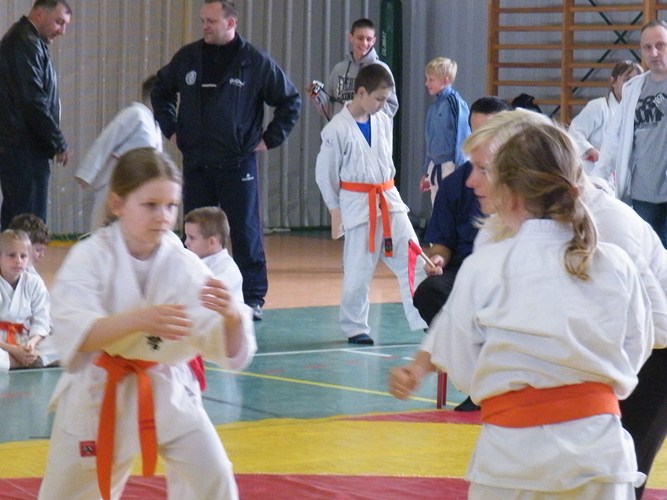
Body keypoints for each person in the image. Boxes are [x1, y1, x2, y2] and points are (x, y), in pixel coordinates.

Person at [390, 122, 653, 499]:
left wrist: (505, 379)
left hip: (513, 459)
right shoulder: (614, 263)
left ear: (508, 194)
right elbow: (636, 347)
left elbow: (463, 362)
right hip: (600, 455)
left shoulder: (486, 267)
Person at [465, 108, 667, 500]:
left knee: (614, 468)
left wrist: (593, 372)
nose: (471, 180)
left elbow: (657, 329)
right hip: (587, 371)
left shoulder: (608, 223)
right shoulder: (497, 231)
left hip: (655, 359)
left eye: (484, 169)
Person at [38, 148, 257, 500]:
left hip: (166, 387)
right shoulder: (90, 257)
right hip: (98, 389)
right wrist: (140, 320)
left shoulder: (184, 264)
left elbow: (224, 346)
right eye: (151, 205)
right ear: (117, 203)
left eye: (171, 206)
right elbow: (77, 334)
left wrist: (232, 317)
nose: (163, 216)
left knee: (215, 477)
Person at [152, 0, 301, 321]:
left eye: (211, 21)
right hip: (197, 162)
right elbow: (160, 90)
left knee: (245, 231)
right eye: (203, 20)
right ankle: (191, 292)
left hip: (237, 163)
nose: (204, 26)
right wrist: (173, 131)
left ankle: (252, 298)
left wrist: (268, 139)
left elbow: (290, 100)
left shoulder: (254, 62)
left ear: (231, 23)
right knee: (194, 231)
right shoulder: (188, 57)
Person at [412, 96, 512, 412]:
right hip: (465, 269)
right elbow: (442, 242)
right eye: (476, 132)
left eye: (490, 132)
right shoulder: (457, 183)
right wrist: (438, 258)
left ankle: (498, 379)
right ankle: (479, 379)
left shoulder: (524, 185)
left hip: (510, 275)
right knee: (431, 292)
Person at [315, 64, 426, 345]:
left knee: (413, 258)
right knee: (358, 270)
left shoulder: (383, 121)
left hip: (389, 199)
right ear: (361, 92)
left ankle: (425, 316)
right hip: (358, 205)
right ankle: (355, 327)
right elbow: (325, 174)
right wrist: (335, 209)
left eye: (386, 100)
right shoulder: (336, 129)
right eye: (379, 99)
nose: (383, 105)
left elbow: (385, 162)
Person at [594, 20, 667, 247]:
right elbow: (614, 138)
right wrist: (598, 177)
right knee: (645, 255)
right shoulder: (633, 88)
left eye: (660, 45)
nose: (654, 53)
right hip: (642, 193)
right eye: (647, 47)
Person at [0, 0, 72, 230]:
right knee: (27, 223)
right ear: (39, 13)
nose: (62, 31)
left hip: (24, 147)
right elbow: (32, 100)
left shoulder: (28, 42)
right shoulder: (24, 43)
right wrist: (57, 141)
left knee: (20, 219)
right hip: (23, 148)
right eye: (59, 22)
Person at [76, 75, 163, 232]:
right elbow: (107, 139)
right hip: (113, 182)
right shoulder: (136, 113)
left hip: (138, 187)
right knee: (102, 231)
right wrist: (87, 173)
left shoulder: (155, 124)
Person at [306, 18, 398, 121]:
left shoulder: (381, 70)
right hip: (341, 129)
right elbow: (330, 109)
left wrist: (364, 111)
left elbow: (392, 107)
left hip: (367, 130)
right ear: (350, 38)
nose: (364, 43)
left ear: (374, 41)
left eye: (368, 39)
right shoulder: (338, 69)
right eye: (360, 38)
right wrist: (317, 98)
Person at [569, 60, 643, 174]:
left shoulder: (640, 113)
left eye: (636, 82)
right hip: (593, 173)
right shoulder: (598, 106)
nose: (631, 86)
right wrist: (590, 150)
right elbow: (574, 133)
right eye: (627, 80)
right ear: (613, 81)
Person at [418, 57, 471, 205]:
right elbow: (430, 142)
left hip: (450, 166)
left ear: (445, 80)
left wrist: (461, 170)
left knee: (451, 208)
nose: (427, 83)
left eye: (431, 80)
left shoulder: (455, 103)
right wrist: (426, 172)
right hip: (435, 166)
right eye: (427, 79)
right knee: (437, 208)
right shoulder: (433, 108)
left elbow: (463, 136)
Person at [0, 230, 51, 372]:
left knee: (66, 344)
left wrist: (31, 344)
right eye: (11, 255)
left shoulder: (34, 283)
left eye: (23, 256)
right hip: (2, 345)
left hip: (26, 340)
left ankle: (24, 359)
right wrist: (14, 350)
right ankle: (20, 361)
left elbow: (42, 319)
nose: (18, 261)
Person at [184, 206, 243, 303]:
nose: (186, 242)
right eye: (186, 237)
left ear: (211, 242)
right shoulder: (193, 261)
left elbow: (201, 301)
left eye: (192, 238)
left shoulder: (226, 272)